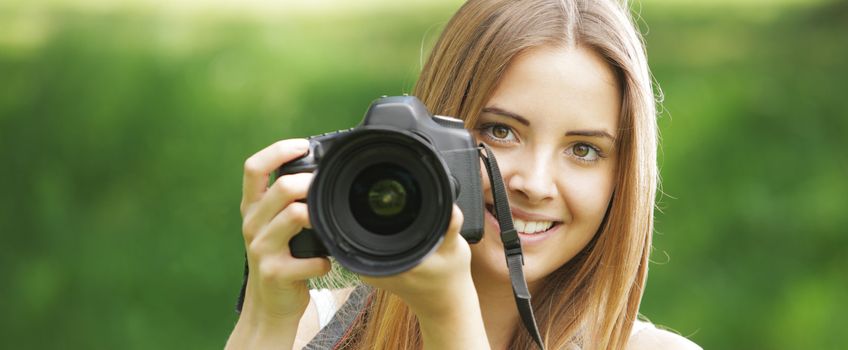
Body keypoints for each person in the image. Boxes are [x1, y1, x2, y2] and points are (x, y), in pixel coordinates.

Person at [226, 0, 702, 349]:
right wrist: (265, 317)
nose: (534, 183)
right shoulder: (308, 330)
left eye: (583, 149)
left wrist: (449, 317)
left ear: (624, 178)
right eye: (500, 131)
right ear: (428, 135)